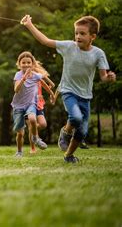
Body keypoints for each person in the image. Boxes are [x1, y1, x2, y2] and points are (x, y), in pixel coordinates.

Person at [21, 15, 116, 163]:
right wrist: (29, 25)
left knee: (82, 131)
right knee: (76, 117)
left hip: (85, 96)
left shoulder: (98, 54)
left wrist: (109, 78)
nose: (78, 36)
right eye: (76, 33)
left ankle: (68, 155)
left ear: (93, 37)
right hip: (68, 91)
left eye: (82, 34)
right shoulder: (68, 46)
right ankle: (65, 133)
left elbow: (103, 76)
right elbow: (45, 41)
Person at [11, 51, 48, 157]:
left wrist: (52, 93)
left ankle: (35, 138)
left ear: (32, 64)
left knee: (32, 119)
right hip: (18, 106)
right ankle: (19, 152)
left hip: (31, 103)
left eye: (28, 63)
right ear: (19, 64)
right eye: (24, 63)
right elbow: (16, 89)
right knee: (20, 133)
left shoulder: (35, 75)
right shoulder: (18, 75)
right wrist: (24, 78)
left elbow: (44, 82)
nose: (26, 65)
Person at [29, 61, 56, 154]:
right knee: (32, 125)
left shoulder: (38, 76)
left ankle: (32, 129)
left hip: (38, 103)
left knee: (43, 124)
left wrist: (51, 91)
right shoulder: (25, 76)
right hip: (28, 103)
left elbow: (49, 84)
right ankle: (32, 148)